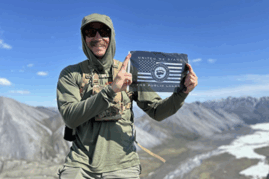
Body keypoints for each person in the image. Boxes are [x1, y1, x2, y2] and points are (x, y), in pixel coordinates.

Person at [56, 13, 198, 179]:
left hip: (123, 166)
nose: (98, 37)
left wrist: (182, 92)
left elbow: (157, 111)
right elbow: (70, 118)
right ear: (83, 37)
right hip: (80, 165)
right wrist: (111, 90)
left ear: (112, 36)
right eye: (90, 32)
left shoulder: (130, 72)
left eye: (104, 31)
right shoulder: (71, 74)